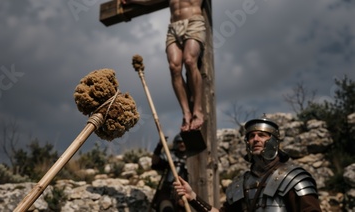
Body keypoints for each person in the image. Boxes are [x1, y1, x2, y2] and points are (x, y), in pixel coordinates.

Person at [173, 117, 321, 211]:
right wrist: (192, 196)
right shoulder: (241, 183)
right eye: (251, 136)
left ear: (274, 141)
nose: (255, 139)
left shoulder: (293, 178)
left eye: (262, 135)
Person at [121, 0, 206, 132]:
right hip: (173, 27)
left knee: (189, 61)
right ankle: (186, 112)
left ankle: (197, 110)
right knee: (174, 67)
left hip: (193, 22)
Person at [151, 134, 189, 212]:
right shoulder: (170, 156)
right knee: (166, 209)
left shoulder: (192, 160)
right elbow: (155, 162)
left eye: (184, 142)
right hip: (167, 192)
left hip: (184, 193)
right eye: (179, 142)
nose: (182, 144)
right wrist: (159, 146)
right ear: (176, 143)